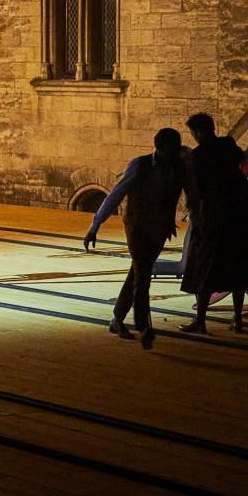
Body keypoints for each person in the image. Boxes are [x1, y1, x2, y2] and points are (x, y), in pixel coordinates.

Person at [84, 128, 194, 349]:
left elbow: (192, 193)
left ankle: (117, 318)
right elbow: (115, 195)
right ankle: (143, 327)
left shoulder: (179, 166)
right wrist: (95, 226)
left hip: (160, 230)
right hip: (138, 227)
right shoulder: (139, 165)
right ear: (159, 149)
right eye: (168, 151)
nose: (171, 156)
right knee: (142, 275)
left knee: (138, 272)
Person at [179, 112, 248, 334]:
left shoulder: (199, 156)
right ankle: (238, 318)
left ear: (198, 132)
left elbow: (195, 191)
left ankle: (200, 320)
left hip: (215, 215)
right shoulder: (228, 146)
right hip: (240, 213)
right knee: (237, 266)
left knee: (205, 266)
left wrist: (196, 220)